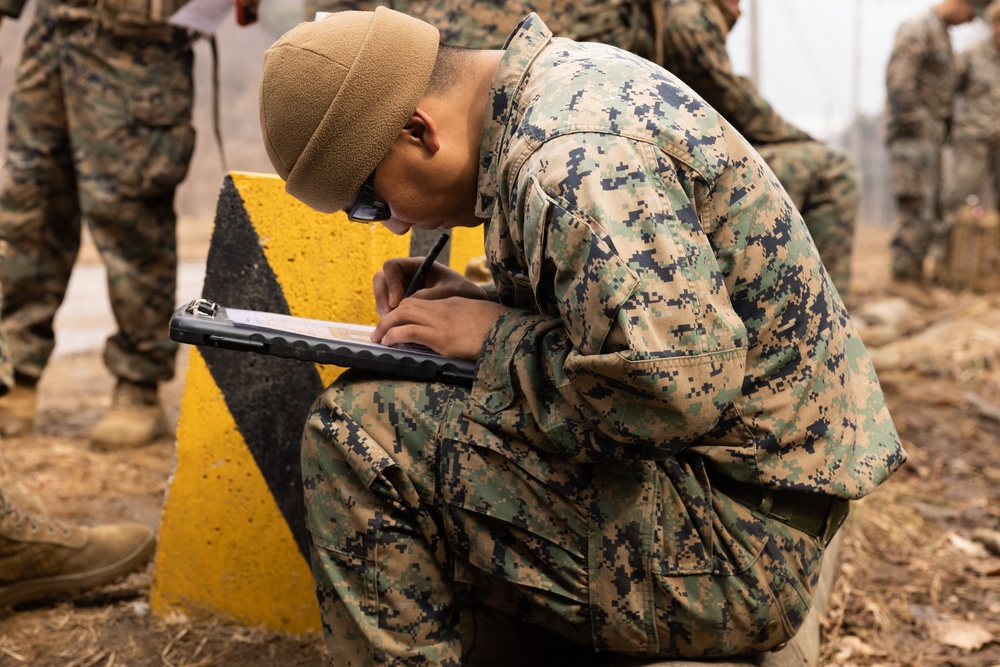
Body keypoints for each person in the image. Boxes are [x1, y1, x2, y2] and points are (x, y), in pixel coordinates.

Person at [258, 8, 906, 664]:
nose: (394, 228)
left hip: (735, 553)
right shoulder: (554, 93)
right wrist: (476, 307)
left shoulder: (568, 159)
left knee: (358, 431)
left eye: (370, 202)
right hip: (744, 502)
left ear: (418, 130)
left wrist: (494, 338)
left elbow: (670, 396)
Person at [0, 0, 259, 450]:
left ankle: (138, 386)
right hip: (53, 30)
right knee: (30, 202)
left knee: (131, 214)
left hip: (139, 44)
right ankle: (15, 373)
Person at [655, 0, 858, 300]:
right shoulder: (689, 16)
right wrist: (797, 137)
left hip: (681, 152)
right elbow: (735, 102)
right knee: (834, 167)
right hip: (681, 160)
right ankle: (826, 315)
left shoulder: (686, 13)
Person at [883, 0, 985, 299]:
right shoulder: (919, 28)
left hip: (930, 138)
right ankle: (902, 276)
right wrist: (919, 124)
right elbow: (899, 82)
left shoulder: (941, 32)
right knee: (915, 202)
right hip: (912, 137)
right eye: (971, 13)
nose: (970, 21)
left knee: (930, 206)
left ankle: (915, 276)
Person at [942, 0, 1000, 234]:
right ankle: (942, 254)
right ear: (993, 25)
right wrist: (950, 128)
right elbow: (945, 90)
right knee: (957, 199)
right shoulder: (971, 56)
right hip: (973, 141)